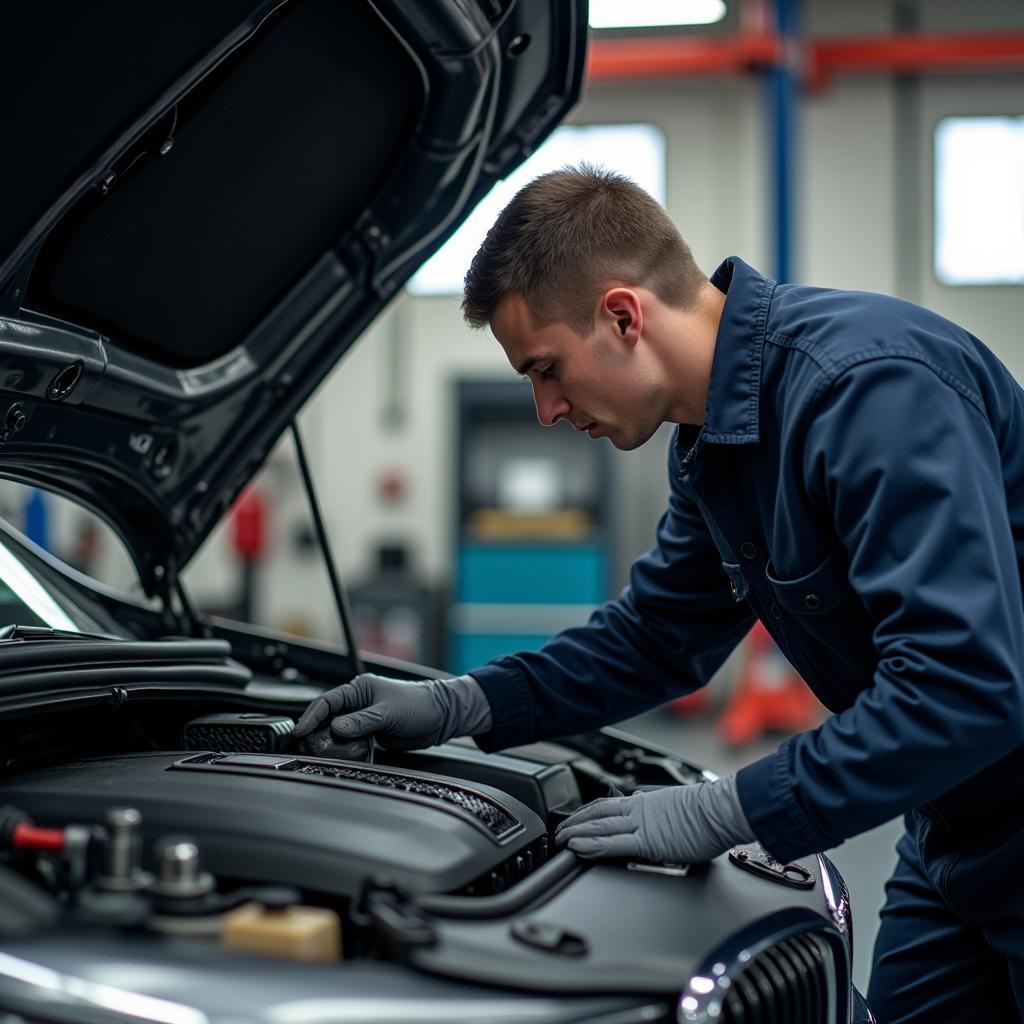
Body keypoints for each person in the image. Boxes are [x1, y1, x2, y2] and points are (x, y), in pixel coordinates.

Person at [293, 165, 1024, 1022]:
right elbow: (655, 637)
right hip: (954, 829)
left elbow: (966, 684)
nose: (546, 410)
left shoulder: (864, 387)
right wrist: (462, 704)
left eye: (546, 369)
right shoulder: (710, 446)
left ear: (622, 316)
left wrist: (729, 810)